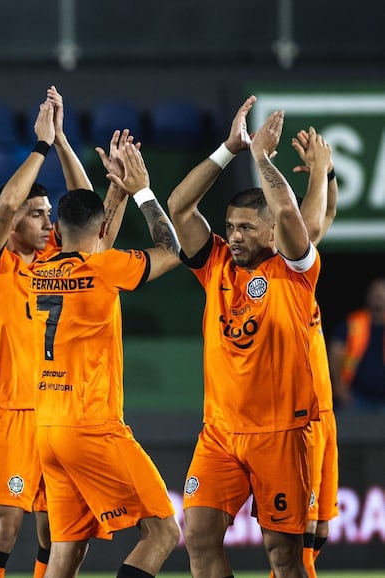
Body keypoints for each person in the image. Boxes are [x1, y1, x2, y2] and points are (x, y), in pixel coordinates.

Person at [0, 86, 132, 578]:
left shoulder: (54, 265)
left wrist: (61, 142)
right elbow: (2, 210)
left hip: (58, 412)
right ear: (13, 218)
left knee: (59, 533)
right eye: (36, 214)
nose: (47, 223)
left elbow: (91, 218)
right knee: (1, 531)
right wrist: (39, 147)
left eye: (48, 216)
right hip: (14, 412)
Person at [166, 96, 320, 578]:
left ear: (271, 233)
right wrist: (229, 149)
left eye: (246, 228)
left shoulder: (294, 272)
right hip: (219, 435)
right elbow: (178, 206)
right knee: (201, 538)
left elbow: (295, 220)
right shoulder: (214, 266)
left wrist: (262, 160)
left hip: (279, 434)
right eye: (230, 227)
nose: (233, 236)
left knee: (283, 557)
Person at [25, 141, 182, 578]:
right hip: (91, 425)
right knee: (164, 533)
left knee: (66, 550)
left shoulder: (41, 270)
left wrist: (116, 193)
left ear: (56, 225)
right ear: (99, 230)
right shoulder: (105, 268)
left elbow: (92, 244)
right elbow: (172, 250)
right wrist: (144, 192)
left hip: (48, 430)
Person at [278, 126, 339, 578]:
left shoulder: (306, 272)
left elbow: (326, 214)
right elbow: (311, 223)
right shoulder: (285, 271)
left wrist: (329, 173)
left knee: (317, 533)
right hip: (300, 417)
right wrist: (317, 172)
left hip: (325, 412)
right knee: (303, 531)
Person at [328, 277, 385, 412]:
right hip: (356, 399)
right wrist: (340, 389)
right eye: (375, 293)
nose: (378, 296)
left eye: (382, 292)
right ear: (368, 297)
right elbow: (335, 353)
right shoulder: (352, 323)